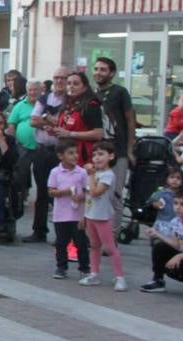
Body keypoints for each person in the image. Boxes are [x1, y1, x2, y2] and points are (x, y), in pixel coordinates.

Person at [27, 68, 70, 242]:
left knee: (64, 193)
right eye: (56, 77)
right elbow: (33, 121)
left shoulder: (71, 100)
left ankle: (64, 235)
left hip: (64, 153)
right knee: (42, 193)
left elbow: (66, 123)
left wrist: (47, 119)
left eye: (63, 78)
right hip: (44, 151)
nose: (59, 81)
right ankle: (39, 230)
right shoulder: (45, 98)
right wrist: (49, 121)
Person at [141, 185, 183, 294]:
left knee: (179, 268)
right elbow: (176, 244)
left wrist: (179, 256)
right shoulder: (175, 222)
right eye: (175, 203)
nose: (177, 207)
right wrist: (157, 234)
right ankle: (158, 280)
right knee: (160, 247)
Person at [80, 141, 126, 291]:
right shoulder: (94, 174)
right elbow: (87, 196)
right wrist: (84, 215)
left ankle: (120, 277)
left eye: (101, 154)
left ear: (111, 156)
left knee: (110, 247)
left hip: (103, 217)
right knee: (94, 246)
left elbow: (95, 192)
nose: (96, 158)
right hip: (91, 215)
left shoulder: (108, 175)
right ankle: (94, 273)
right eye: (94, 155)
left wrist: (91, 175)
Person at [93, 57, 136, 213]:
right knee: (97, 193)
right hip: (98, 151)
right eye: (96, 69)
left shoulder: (120, 92)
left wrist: (130, 149)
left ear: (112, 73)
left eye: (103, 69)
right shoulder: (92, 94)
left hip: (119, 150)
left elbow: (131, 120)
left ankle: (113, 236)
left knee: (116, 196)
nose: (98, 72)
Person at [47, 142, 90, 280]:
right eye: (70, 153)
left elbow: (88, 191)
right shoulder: (55, 172)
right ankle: (61, 266)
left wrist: (80, 197)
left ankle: (84, 267)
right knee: (61, 242)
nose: (75, 156)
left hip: (77, 214)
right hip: (61, 214)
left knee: (81, 241)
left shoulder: (82, 172)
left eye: (76, 152)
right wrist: (63, 192)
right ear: (61, 156)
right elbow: (51, 191)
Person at [53, 71, 105, 164]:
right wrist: (55, 131)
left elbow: (98, 134)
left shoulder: (91, 105)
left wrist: (69, 134)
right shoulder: (67, 105)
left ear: (84, 87)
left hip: (83, 158)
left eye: (76, 84)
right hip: (66, 156)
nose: (71, 86)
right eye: (68, 83)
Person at [7, 78, 39, 212]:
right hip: (22, 145)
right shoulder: (19, 105)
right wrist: (14, 141)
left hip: (40, 146)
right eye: (30, 90)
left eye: (35, 90)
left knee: (41, 175)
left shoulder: (43, 105)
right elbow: (12, 124)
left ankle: (44, 201)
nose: (32, 92)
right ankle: (21, 198)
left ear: (41, 91)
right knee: (21, 172)